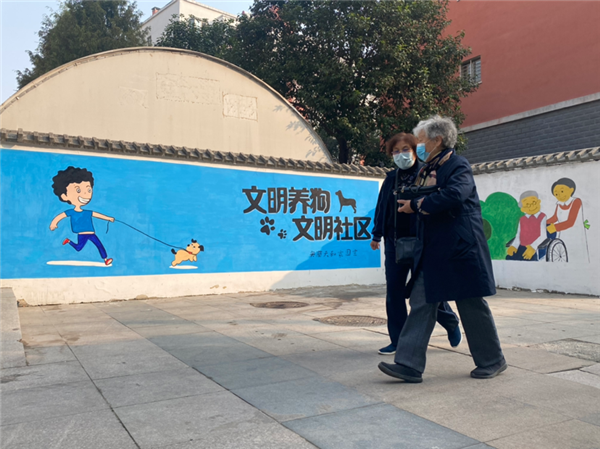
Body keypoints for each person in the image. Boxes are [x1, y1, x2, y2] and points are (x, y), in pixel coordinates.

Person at [378, 115, 506, 383]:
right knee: (421, 302)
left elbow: (455, 194)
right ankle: (409, 365)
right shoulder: (427, 169)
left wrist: (417, 205)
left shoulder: (458, 165)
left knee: (470, 304)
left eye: (421, 141)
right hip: (433, 249)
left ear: (437, 141)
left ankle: (493, 360)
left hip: (461, 249)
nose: (418, 146)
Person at [371, 133, 462, 355]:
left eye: (405, 149)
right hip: (395, 242)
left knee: (426, 290)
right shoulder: (391, 178)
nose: (400, 155)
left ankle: (449, 321)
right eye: (395, 151)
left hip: (423, 242)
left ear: (414, 151)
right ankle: (398, 341)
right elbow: (382, 207)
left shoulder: (428, 173)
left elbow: (436, 204)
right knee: (394, 292)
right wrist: (377, 234)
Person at [50, 166, 114, 265]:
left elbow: (98, 215)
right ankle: (69, 241)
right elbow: (60, 216)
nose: (85, 194)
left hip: (91, 233)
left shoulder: (88, 212)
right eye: (78, 190)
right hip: (82, 234)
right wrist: (54, 223)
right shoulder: (71, 212)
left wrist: (109, 218)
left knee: (99, 245)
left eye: (89, 190)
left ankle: (106, 259)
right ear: (65, 196)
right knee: (79, 248)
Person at [546, 178, 590, 262]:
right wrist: (543, 222)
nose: (559, 195)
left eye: (562, 191)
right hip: (563, 235)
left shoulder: (576, 201)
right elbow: (555, 218)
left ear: (571, 190)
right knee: (564, 255)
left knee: (577, 258)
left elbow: (570, 222)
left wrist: (554, 227)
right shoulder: (559, 204)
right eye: (556, 194)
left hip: (576, 235)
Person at [506, 191, 547, 261]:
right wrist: (514, 246)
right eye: (527, 205)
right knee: (510, 258)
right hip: (522, 247)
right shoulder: (522, 219)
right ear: (522, 208)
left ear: (538, 202)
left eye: (533, 203)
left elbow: (543, 236)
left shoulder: (542, 217)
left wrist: (533, 247)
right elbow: (518, 236)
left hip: (534, 247)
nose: (531, 206)